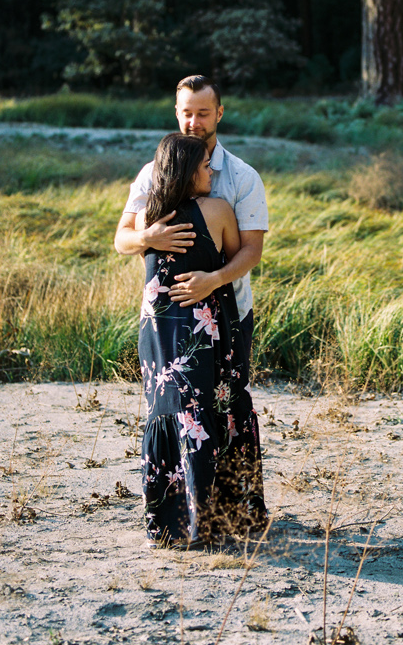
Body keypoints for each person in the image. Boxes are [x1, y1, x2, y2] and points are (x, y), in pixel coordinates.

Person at [114, 74, 269, 545]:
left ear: (219, 113)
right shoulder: (152, 174)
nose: (194, 121)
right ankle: (179, 516)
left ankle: (230, 513)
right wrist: (148, 237)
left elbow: (251, 251)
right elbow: (122, 239)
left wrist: (214, 280)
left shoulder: (241, 178)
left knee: (226, 404)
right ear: (176, 112)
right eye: (186, 112)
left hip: (228, 315)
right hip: (165, 327)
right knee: (172, 410)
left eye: (203, 112)